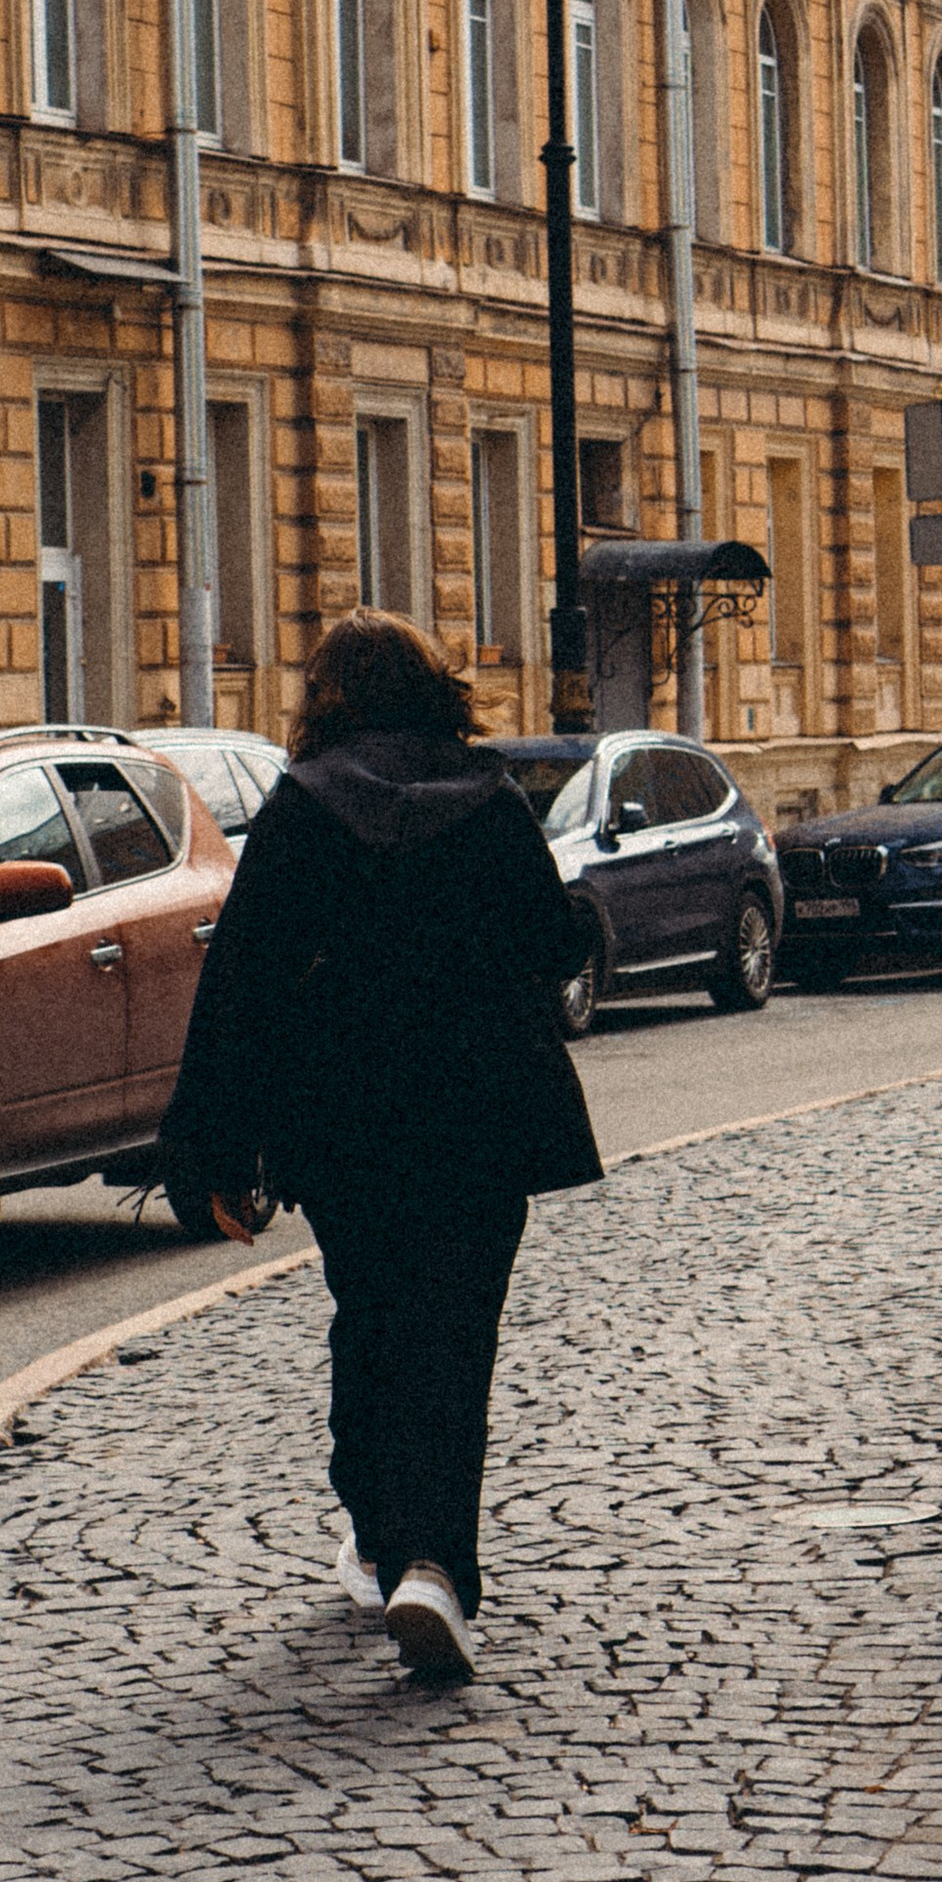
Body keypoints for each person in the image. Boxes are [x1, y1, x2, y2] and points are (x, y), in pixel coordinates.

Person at [158, 610, 602, 1685]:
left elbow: (243, 983)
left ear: (327, 698)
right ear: (434, 687)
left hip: (350, 1123)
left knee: (372, 1320)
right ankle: (435, 1566)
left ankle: (373, 1527)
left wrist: (208, 1146)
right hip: (483, 1119)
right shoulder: (491, 801)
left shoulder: (305, 809)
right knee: (457, 1339)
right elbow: (550, 941)